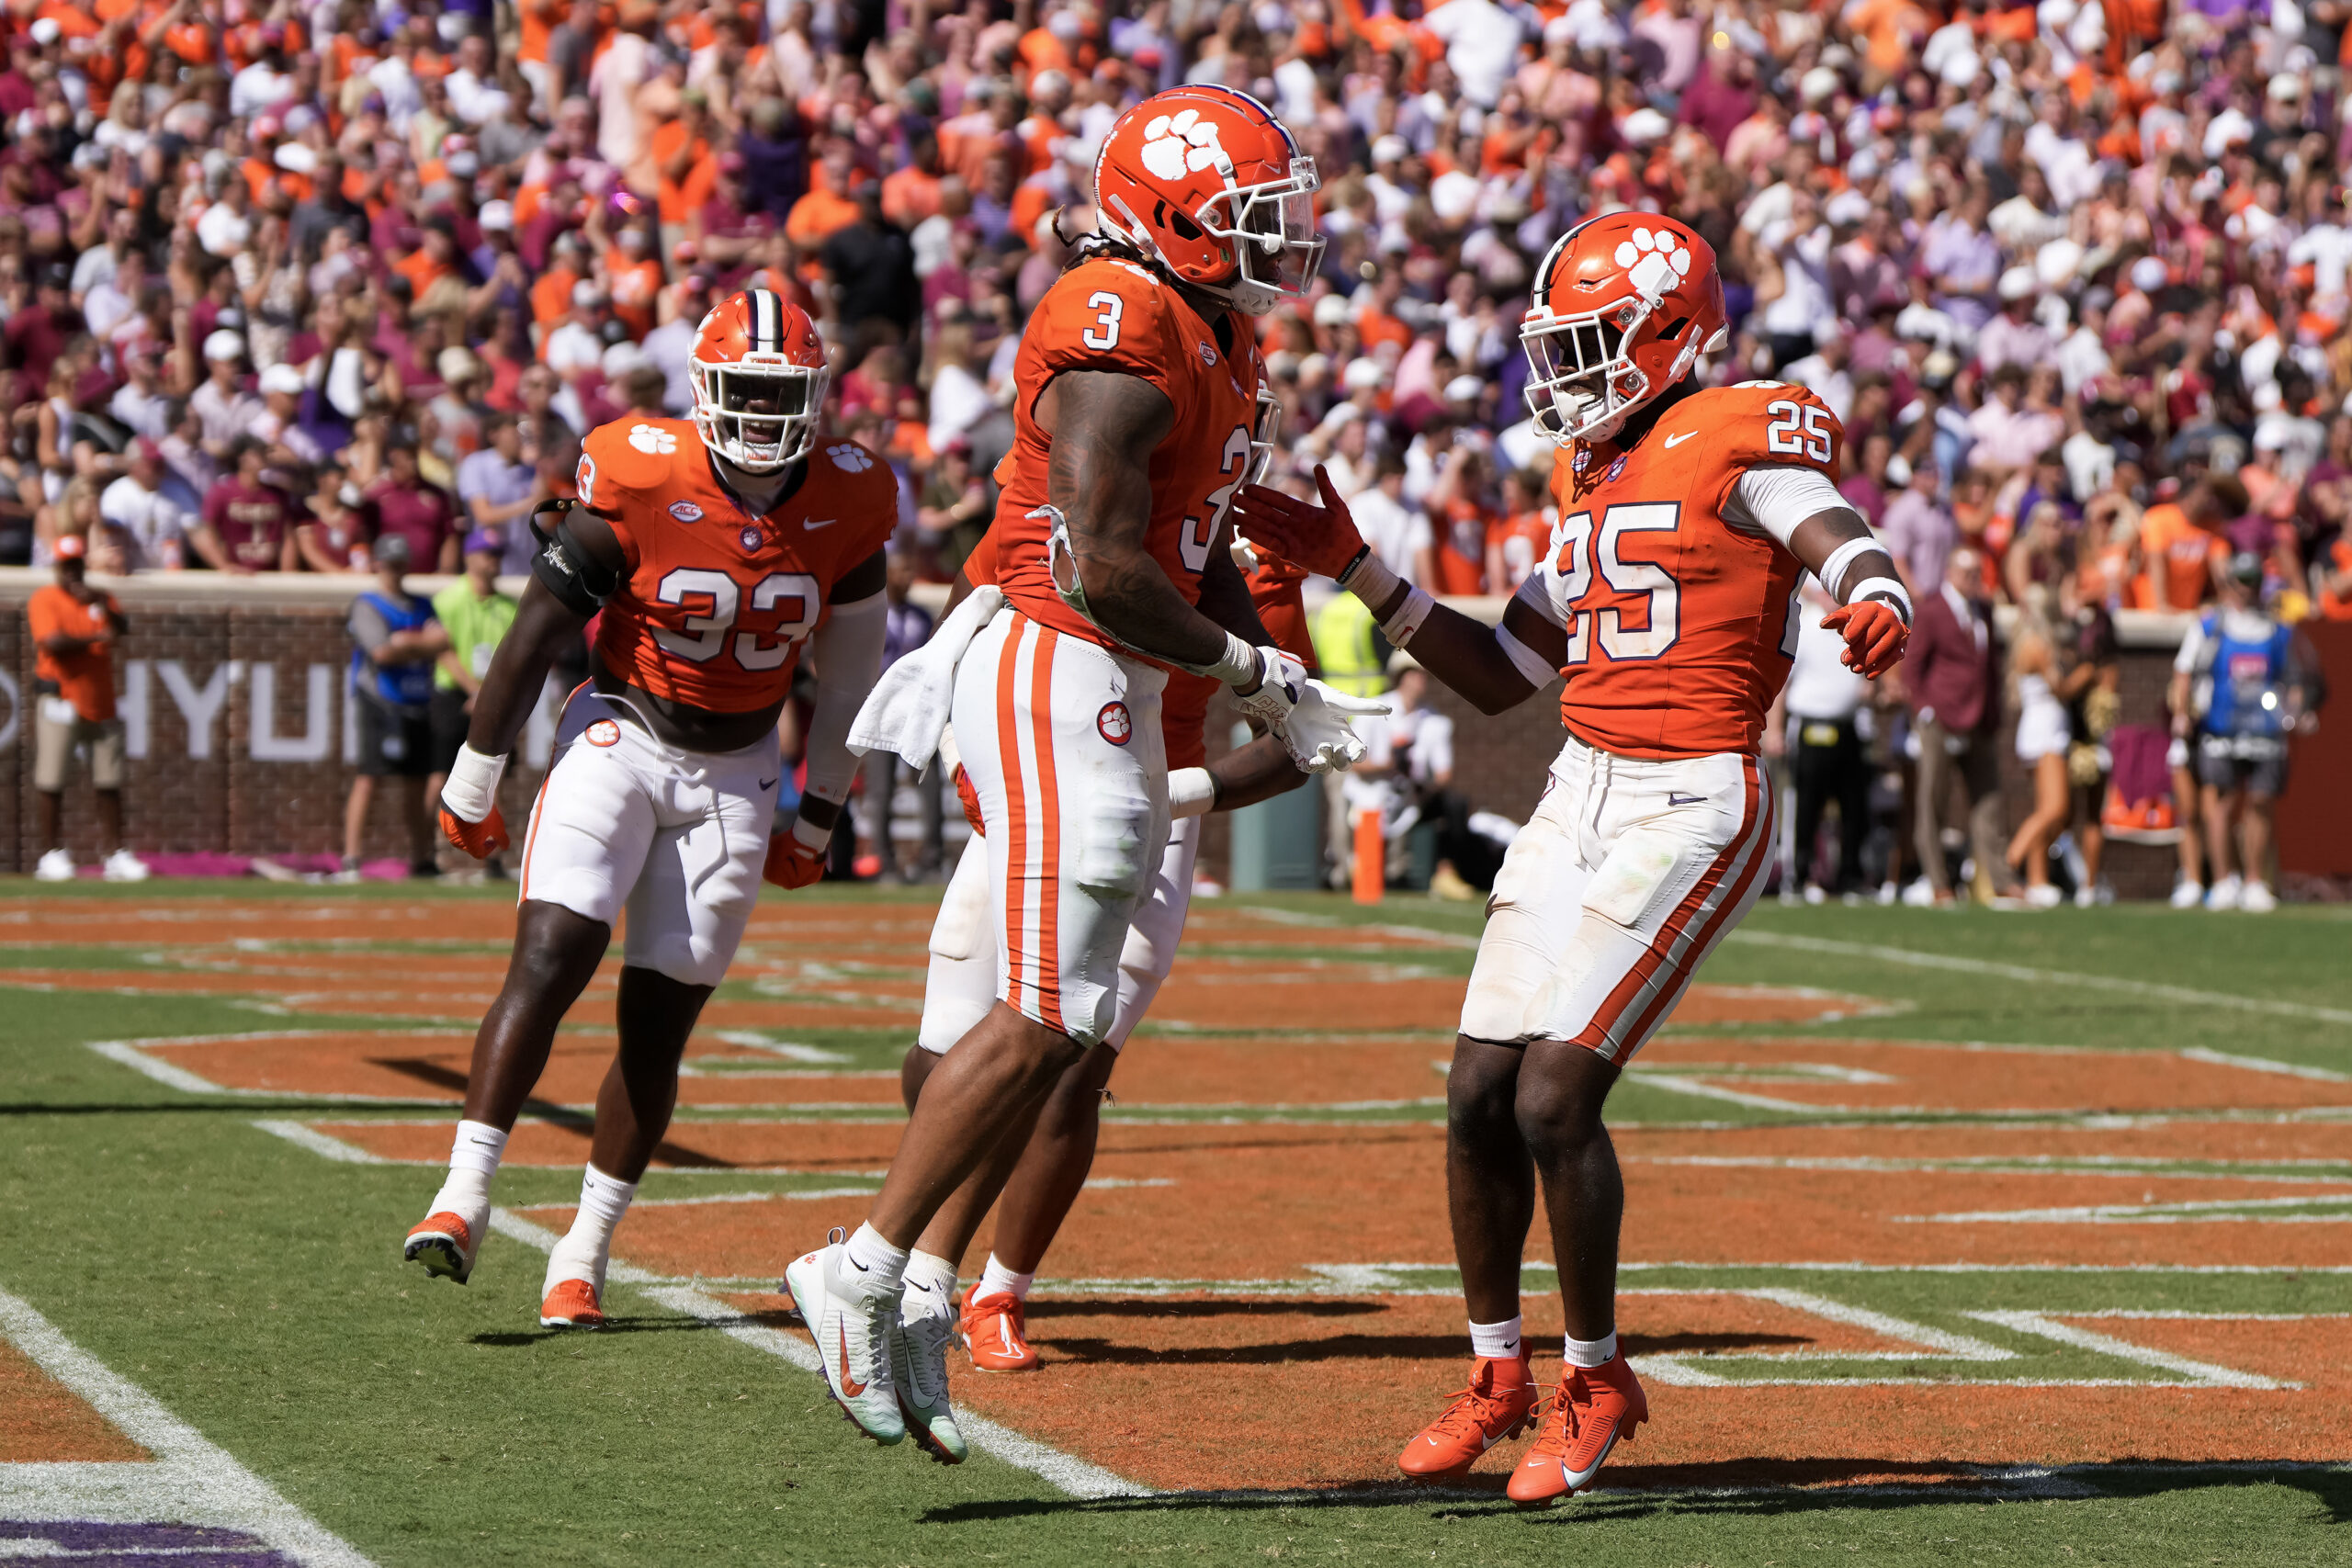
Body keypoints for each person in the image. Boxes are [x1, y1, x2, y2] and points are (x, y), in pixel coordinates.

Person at [1229, 212, 1912, 1504]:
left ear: (1671, 332)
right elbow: (1504, 672)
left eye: (1593, 341)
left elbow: (1828, 522)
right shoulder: (1592, 467)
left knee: (1555, 1094)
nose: (1567, 371)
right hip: (1577, 785)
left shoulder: (1739, 428)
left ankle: (1598, 1374)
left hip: (1690, 797)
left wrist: (1875, 591)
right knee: (1479, 1087)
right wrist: (1356, 568)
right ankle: (1498, 1372)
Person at [787, 87, 1372, 1461]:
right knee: (1056, 1013)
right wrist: (1252, 669)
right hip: (1062, 660)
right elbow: (1105, 562)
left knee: (1054, 1013)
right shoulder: (1126, 324)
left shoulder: (1202, 322)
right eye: (1249, 222)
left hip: (1099, 671)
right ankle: (863, 1269)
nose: (1275, 247)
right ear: (1173, 218)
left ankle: (922, 1287)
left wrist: (1263, 657)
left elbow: (1183, 536)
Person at [406, 291, 895, 1346]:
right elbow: (539, 628)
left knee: (656, 1025)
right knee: (550, 953)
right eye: (748, 391)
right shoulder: (639, 470)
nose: (765, 416)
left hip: (738, 774)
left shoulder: (853, 496)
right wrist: (474, 778)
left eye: (785, 394)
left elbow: (854, 670)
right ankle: (464, 1194)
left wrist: (820, 809)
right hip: (621, 733)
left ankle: (581, 1258)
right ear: (707, 391)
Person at [906, 522, 1320, 1382]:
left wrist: (1170, 795)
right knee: (938, 1054)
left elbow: (1296, 741)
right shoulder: (1054, 507)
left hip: (1148, 815)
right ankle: (905, 1259)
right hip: (1037, 782)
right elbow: (961, 631)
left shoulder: (1239, 560)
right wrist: (962, 752)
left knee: (1070, 1064)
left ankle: (997, 1290)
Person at [2169, 552, 2323, 912]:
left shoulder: (2278, 631)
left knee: (2260, 801)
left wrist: (2296, 713)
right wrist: (2182, 712)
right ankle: (2223, 880)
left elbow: (2293, 680)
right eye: (2241, 581)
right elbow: (2184, 672)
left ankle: (2255, 880)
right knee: (2220, 804)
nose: (2247, 589)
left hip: (2265, 730)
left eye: (2253, 581)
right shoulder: (2209, 627)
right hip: (2221, 726)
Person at [28, 536, 146, 883]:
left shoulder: (99, 598)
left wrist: (101, 605)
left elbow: (123, 628)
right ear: (57, 568)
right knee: (52, 778)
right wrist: (95, 640)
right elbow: (53, 642)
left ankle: (115, 854)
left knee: (109, 780)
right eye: (66, 566)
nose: (73, 573)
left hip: (100, 699)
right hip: (61, 698)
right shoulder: (45, 599)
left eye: (77, 564)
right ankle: (51, 853)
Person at [1900, 546, 2011, 906]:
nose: (1973, 579)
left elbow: (1989, 666)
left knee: (1988, 801)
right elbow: (1913, 666)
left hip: (1979, 719)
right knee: (1933, 800)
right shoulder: (1933, 610)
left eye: (1977, 572)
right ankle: (1938, 883)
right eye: (1966, 572)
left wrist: (1995, 713)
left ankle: (2001, 880)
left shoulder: (1984, 611)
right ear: (1950, 572)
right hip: (1941, 719)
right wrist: (1923, 710)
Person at [343, 535, 448, 882]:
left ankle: (421, 859)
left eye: (401, 562)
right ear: (377, 564)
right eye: (389, 563)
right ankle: (352, 858)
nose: (396, 569)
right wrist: (418, 645)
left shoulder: (422, 604)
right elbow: (381, 653)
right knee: (369, 777)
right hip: (380, 700)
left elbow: (444, 642)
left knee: (417, 783)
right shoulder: (368, 604)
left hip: (417, 699)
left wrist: (405, 643)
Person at [1766, 578, 1873, 901]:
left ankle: (1850, 875)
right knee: (1806, 803)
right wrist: (1775, 729)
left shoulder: (1855, 626)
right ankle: (1798, 875)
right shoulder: (1805, 626)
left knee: (1853, 804)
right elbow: (1783, 684)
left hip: (1847, 724)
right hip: (1811, 725)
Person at [429, 528, 520, 878]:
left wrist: (487, 695)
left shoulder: (509, 607)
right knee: (439, 774)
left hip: (492, 697)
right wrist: (473, 690)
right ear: (469, 557)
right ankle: (431, 854)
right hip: (454, 694)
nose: (492, 561)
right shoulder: (448, 600)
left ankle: (491, 856)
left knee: (493, 777)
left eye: (497, 554)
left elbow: (513, 658)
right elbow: (441, 648)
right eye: (487, 553)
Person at [2004, 623, 2072, 908]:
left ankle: (2037, 880)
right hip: (2045, 734)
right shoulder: (2036, 644)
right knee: (2055, 809)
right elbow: (2059, 686)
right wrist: (2083, 676)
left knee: (2045, 810)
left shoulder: (2030, 642)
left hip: (2042, 731)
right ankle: (2009, 860)